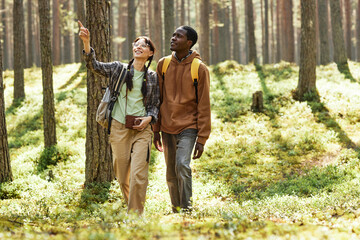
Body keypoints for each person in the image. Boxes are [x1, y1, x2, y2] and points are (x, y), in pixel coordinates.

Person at [78, 21, 160, 214]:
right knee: (123, 176)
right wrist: (87, 43)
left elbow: (155, 104)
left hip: (142, 130)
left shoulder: (153, 77)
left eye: (144, 45)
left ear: (150, 53)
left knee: (139, 174)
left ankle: (135, 217)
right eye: (136, 44)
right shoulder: (118, 69)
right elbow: (94, 66)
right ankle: (133, 208)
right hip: (119, 128)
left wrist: (149, 119)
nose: (138, 46)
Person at [153, 26, 211, 213]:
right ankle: (175, 209)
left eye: (179, 36)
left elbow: (204, 104)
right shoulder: (163, 64)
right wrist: (156, 129)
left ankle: (186, 209)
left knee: (182, 165)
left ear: (189, 43)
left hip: (189, 126)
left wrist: (201, 139)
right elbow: (158, 98)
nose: (173, 38)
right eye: (173, 34)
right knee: (171, 172)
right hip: (167, 127)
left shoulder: (199, 69)